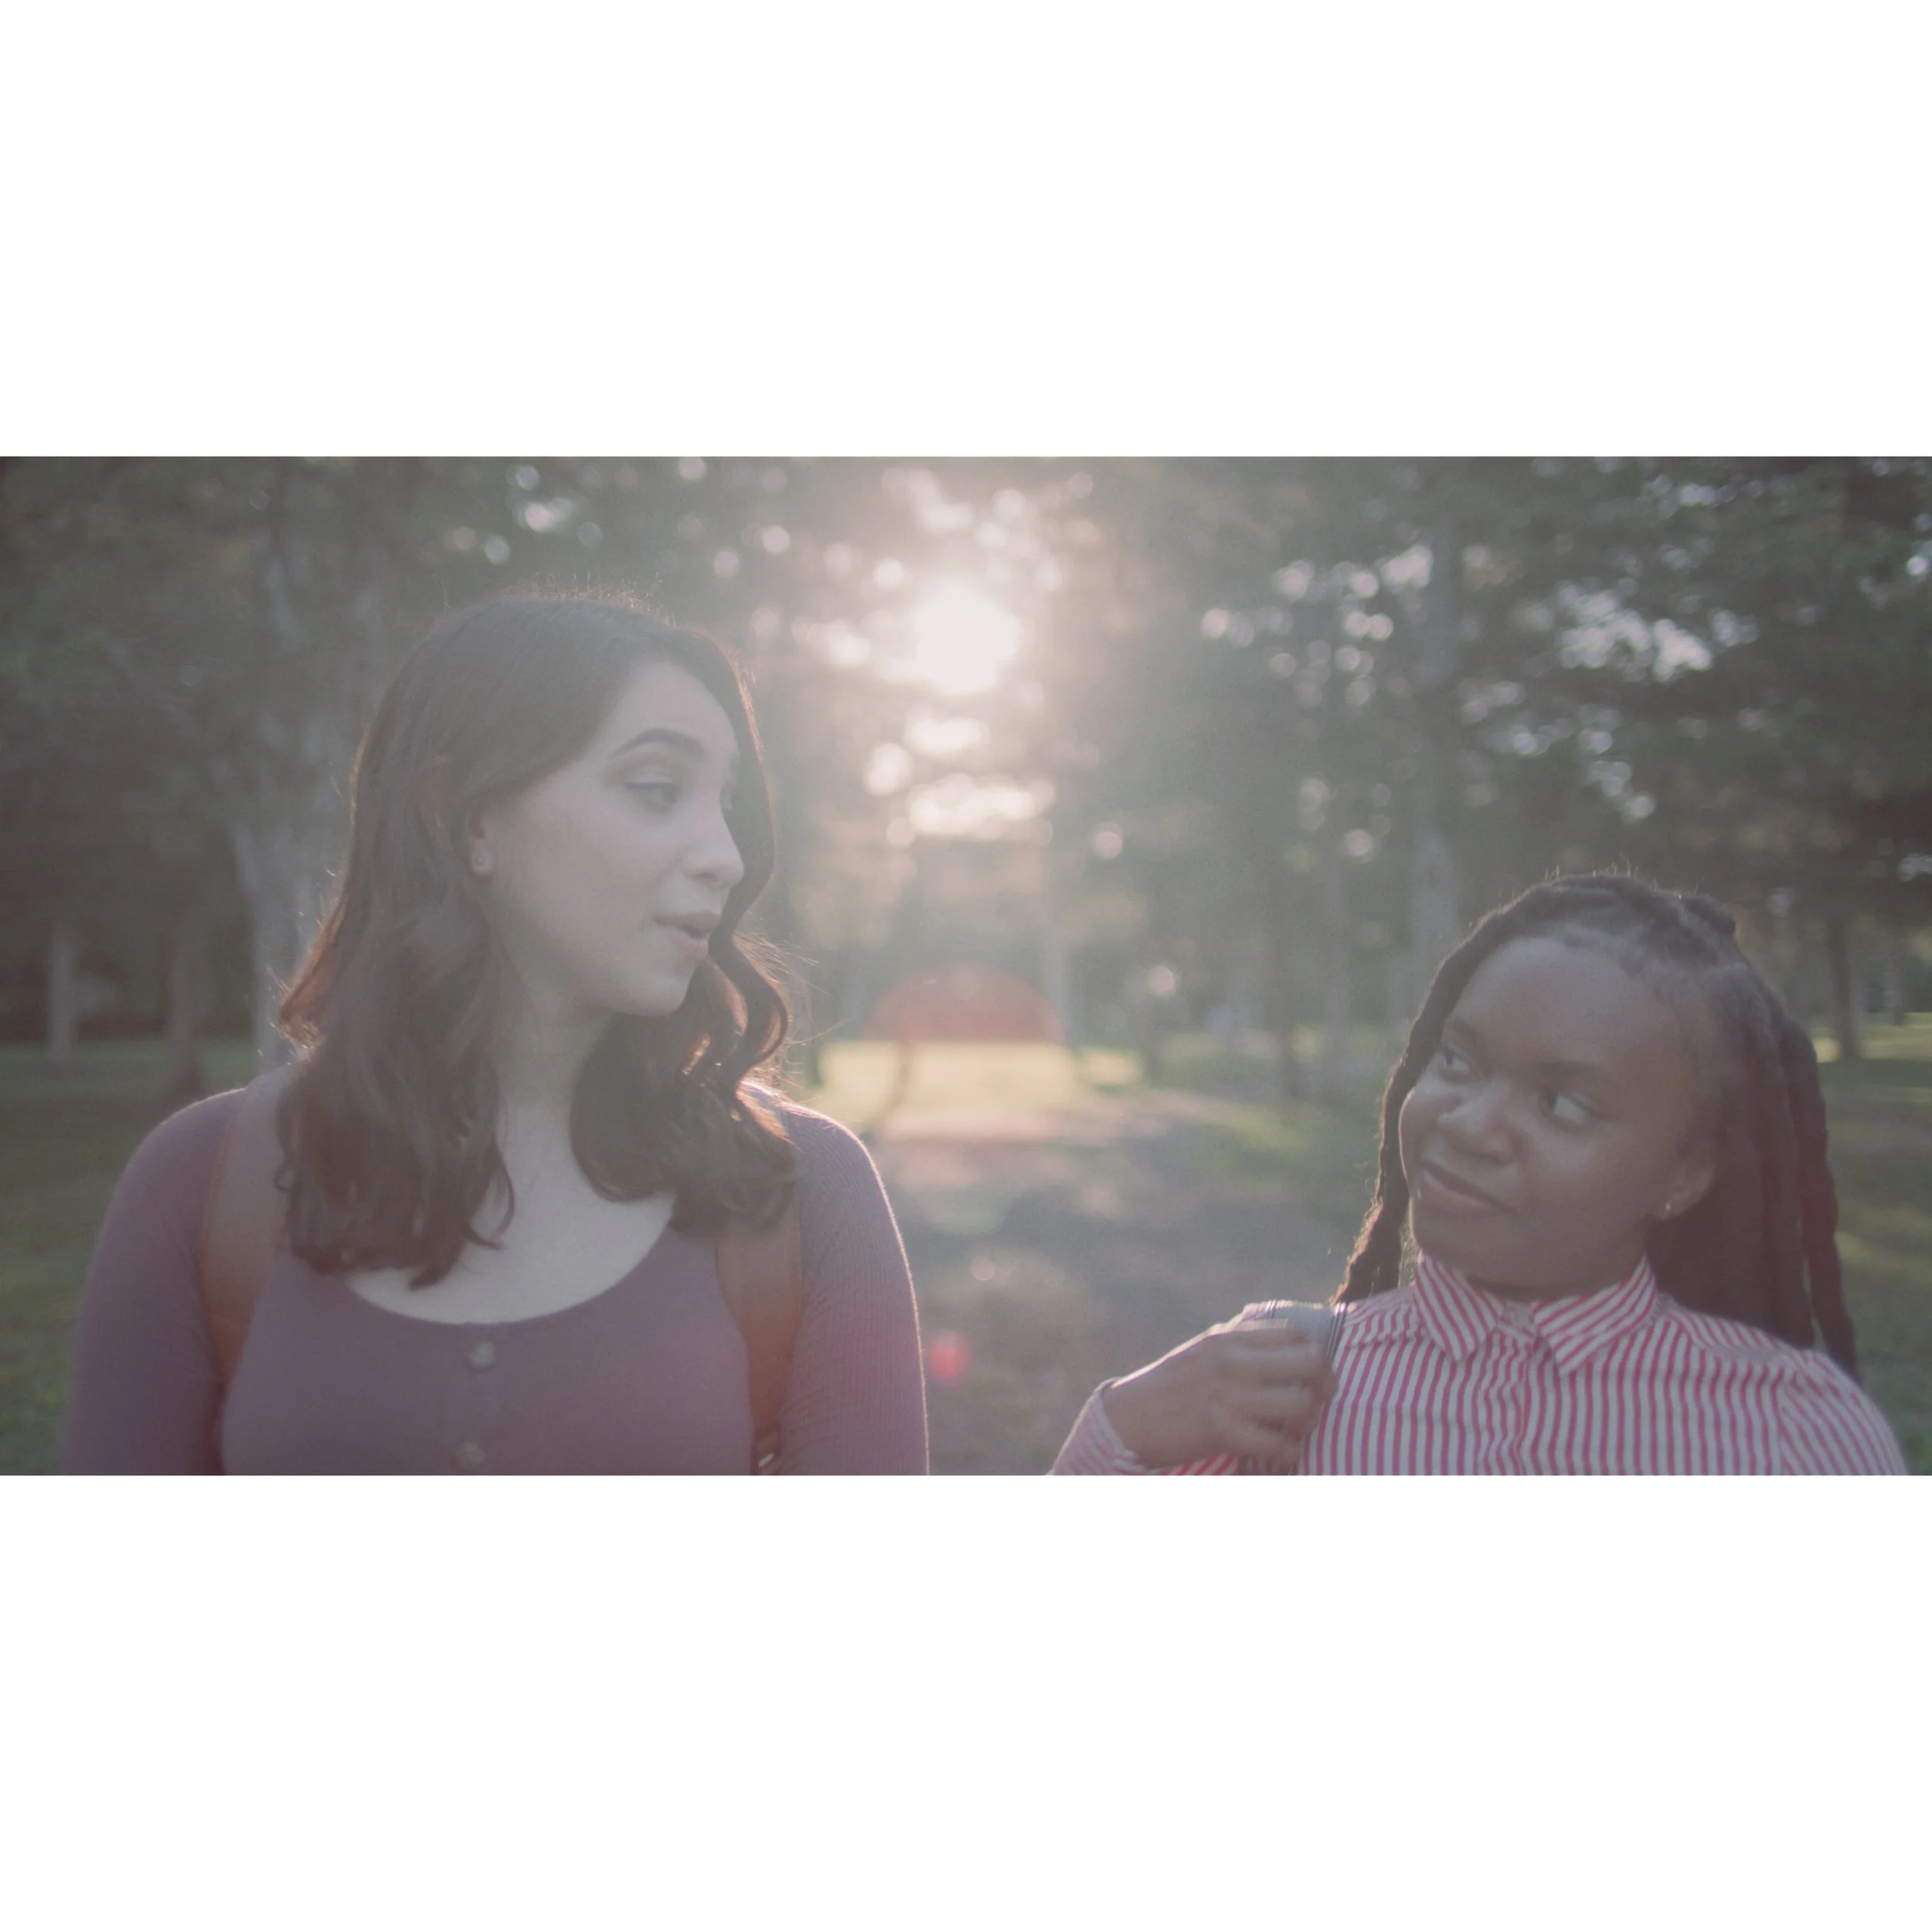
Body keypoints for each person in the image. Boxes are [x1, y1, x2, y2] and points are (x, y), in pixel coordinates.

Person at [62, 594, 928, 1474]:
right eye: (658, 790)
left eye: (726, 803)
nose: (726, 856)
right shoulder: (200, 1181)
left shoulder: (807, 1193)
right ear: (467, 818)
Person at [1053, 873, 1906, 1475]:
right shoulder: (1275, 1385)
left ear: (1683, 1173)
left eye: (1563, 1104)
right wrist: (1118, 1428)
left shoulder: (1797, 1430)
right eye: (1458, 1059)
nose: (1469, 1123)